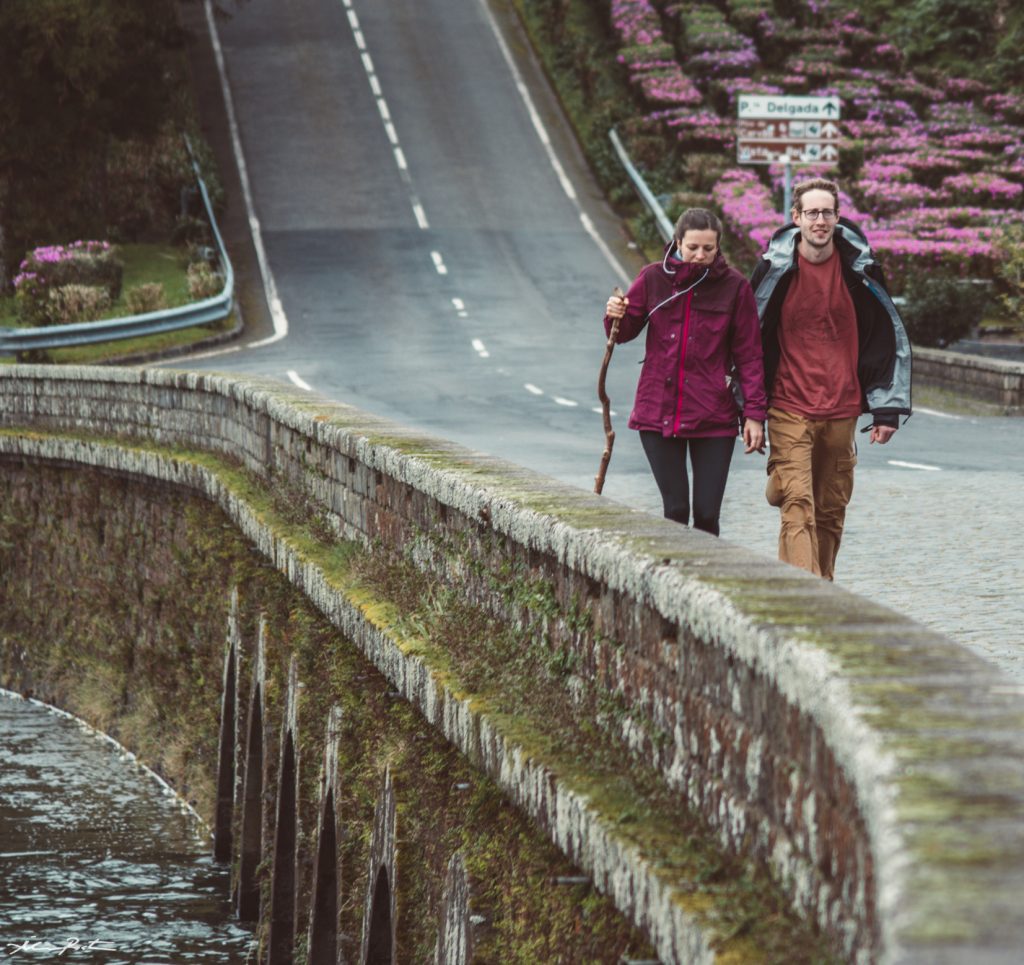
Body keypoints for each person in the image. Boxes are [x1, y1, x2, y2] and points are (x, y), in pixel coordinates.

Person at [750, 177, 912, 580]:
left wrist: (886, 409)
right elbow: (748, 337)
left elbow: (885, 334)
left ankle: (821, 580)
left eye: (826, 213)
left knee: (830, 506)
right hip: (788, 404)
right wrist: (749, 407)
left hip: (842, 407)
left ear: (837, 218)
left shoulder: (862, 271)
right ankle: (809, 598)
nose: (819, 221)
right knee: (799, 504)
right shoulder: (774, 270)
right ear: (796, 218)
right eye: (811, 213)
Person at [604, 208, 767, 536]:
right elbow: (622, 334)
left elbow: (749, 356)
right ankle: (672, 579)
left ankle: (707, 582)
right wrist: (614, 314)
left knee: (707, 515)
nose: (700, 255)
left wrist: (754, 415)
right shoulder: (652, 278)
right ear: (677, 242)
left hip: (714, 416)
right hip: (657, 411)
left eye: (709, 248)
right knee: (675, 510)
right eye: (692, 247)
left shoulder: (735, 287)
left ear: (718, 246)